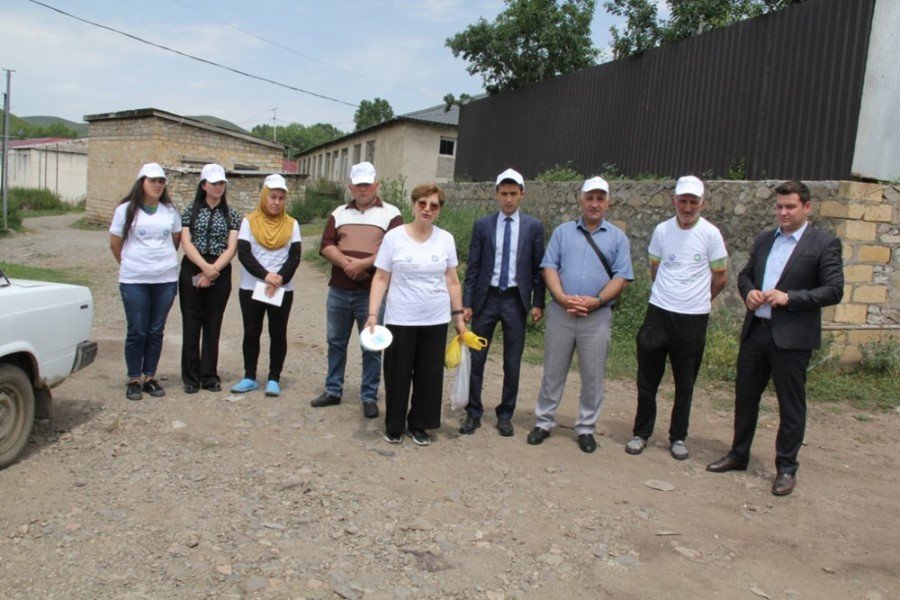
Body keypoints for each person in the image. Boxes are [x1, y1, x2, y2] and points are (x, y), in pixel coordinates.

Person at [706, 180, 843, 496]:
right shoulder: (766, 239)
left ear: (806, 207)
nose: (783, 212)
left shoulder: (823, 243)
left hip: (792, 339)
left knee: (790, 404)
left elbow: (834, 290)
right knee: (745, 397)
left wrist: (789, 298)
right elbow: (746, 275)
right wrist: (749, 292)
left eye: (790, 206)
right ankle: (739, 453)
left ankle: (786, 467)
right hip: (757, 332)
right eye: (780, 206)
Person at [527, 176, 633, 453]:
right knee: (553, 370)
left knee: (593, 374)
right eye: (590, 198)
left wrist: (596, 301)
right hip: (562, 313)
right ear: (581, 200)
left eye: (600, 198)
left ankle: (586, 428)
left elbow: (621, 277)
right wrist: (561, 298)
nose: (594, 204)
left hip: (596, 317)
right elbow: (549, 266)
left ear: (608, 202)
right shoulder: (563, 232)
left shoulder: (618, 238)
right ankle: (544, 421)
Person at [626, 176, 728, 460]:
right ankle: (641, 433)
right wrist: (668, 295)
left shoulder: (711, 234)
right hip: (658, 313)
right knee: (647, 380)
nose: (687, 206)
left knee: (685, 383)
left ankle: (678, 437)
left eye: (693, 201)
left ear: (702, 203)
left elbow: (721, 278)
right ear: (674, 201)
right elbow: (655, 269)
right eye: (683, 200)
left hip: (693, 319)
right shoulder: (661, 231)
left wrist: (698, 299)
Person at [366, 183, 467, 446]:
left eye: (433, 205)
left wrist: (458, 316)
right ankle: (395, 425)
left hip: (435, 319)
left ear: (439, 210)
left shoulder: (445, 239)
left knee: (429, 376)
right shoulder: (394, 238)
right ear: (413, 205)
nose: (427, 209)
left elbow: (452, 280)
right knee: (398, 373)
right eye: (422, 203)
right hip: (401, 318)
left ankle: (420, 425)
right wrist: (373, 313)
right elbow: (380, 277)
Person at [310, 161, 402, 418]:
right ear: (350, 186)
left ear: (376, 184)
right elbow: (326, 245)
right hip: (339, 289)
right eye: (358, 184)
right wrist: (348, 264)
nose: (363, 189)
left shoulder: (391, 214)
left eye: (367, 184)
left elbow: (392, 248)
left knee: (372, 345)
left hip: (371, 293)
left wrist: (363, 264)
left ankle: (369, 396)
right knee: (335, 342)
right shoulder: (339, 213)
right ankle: (333, 389)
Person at [460, 168, 545, 437]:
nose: (508, 199)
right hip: (487, 298)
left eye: (513, 194)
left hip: (515, 301)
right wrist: (467, 302)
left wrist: (538, 302)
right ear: (496, 194)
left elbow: (538, 269)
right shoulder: (483, 225)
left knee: (512, 361)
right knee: (477, 358)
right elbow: (473, 267)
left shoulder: (533, 226)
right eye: (504, 194)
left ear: (522, 194)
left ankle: (505, 414)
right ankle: (473, 412)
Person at [109, 163, 182, 401]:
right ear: (142, 182)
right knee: (137, 329)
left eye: (161, 181)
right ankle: (133, 378)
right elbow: (115, 243)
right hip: (135, 280)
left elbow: (175, 240)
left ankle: (150, 376)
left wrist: (161, 263)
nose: (158, 185)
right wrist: (131, 264)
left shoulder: (170, 211)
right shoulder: (125, 210)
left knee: (156, 330)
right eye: (153, 180)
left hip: (165, 279)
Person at [230, 174, 301, 397]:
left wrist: (279, 278)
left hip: (281, 288)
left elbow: (294, 256)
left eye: (281, 198)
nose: (276, 202)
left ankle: (273, 378)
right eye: (272, 197)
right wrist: (266, 275)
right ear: (264, 197)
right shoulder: (249, 221)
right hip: (252, 287)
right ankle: (249, 376)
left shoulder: (292, 224)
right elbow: (244, 253)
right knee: (252, 332)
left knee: (278, 333)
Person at [178, 164, 241, 394]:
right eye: (214, 183)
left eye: (221, 183)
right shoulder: (190, 211)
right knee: (192, 323)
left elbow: (232, 246)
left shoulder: (232, 214)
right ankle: (191, 377)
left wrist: (213, 269)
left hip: (220, 267)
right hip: (193, 265)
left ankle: (209, 375)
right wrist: (204, 268)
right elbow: (186, 242)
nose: (218, 187)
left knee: (213, 324)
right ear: (203, 185)